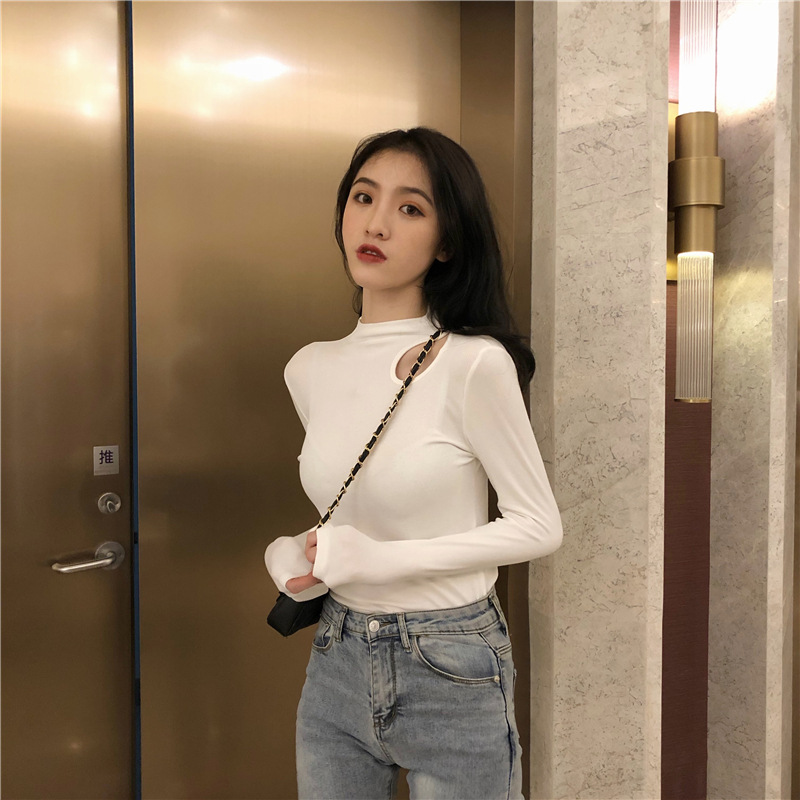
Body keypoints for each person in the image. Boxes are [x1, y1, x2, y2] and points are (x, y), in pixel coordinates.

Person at [265, 127, 562, 800]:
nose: (376, 223)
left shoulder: (473, 363)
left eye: (410, 208)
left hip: (450, 659)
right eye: (363, 197)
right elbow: (362, 500)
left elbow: (539, 526)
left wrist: (379, 561)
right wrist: (294, 550)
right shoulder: (308, 368)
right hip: (337, 655)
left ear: (446, 241)